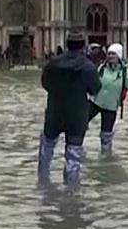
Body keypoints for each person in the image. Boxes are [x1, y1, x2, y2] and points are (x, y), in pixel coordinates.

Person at [38, 32, 103, 189]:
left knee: (46, 151)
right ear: (82, 45)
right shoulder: (88, 66)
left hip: (54, 113)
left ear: (67, 44)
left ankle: (42, 184)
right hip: (76, 116)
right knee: (73, 156)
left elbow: (45, 83)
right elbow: (95, 89)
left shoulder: (52, 63)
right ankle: (71, 192)